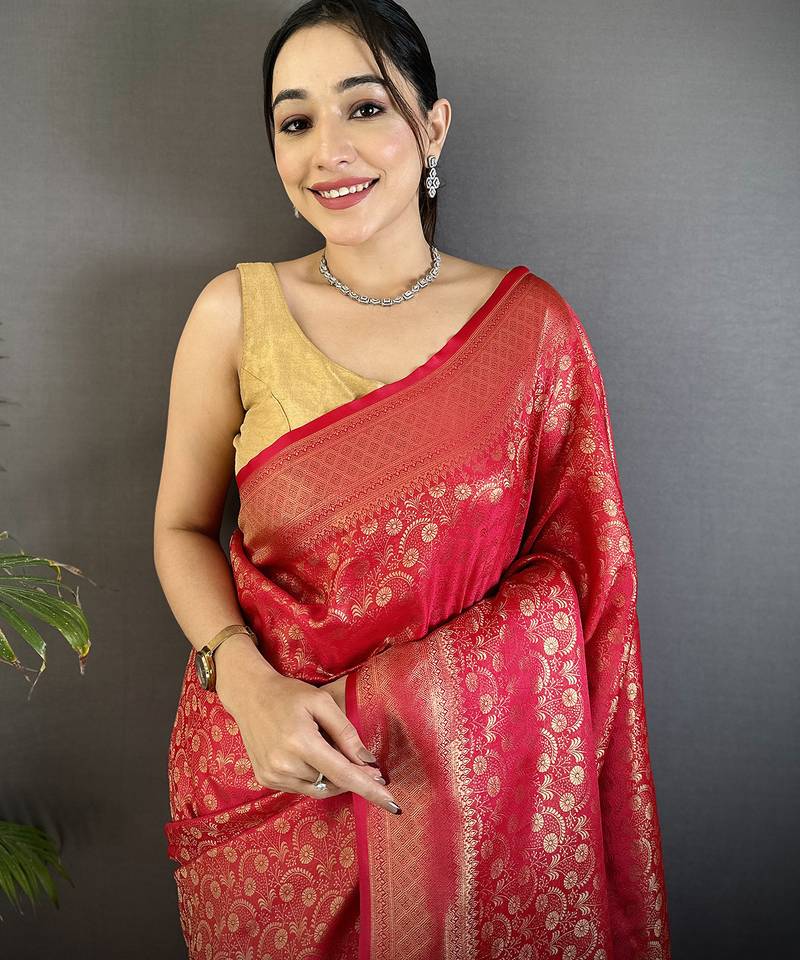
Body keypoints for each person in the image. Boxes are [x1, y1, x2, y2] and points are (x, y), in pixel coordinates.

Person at [153, 1, 672, 957]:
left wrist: (421, 692)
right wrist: (249, 688)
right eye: (295, 121)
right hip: (272, 776)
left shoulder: (531, 330)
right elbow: (182, 529)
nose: (328, 152)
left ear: (432, 128)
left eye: (364, 108)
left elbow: (586, 577)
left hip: (476, 798)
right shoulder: (235, 313)